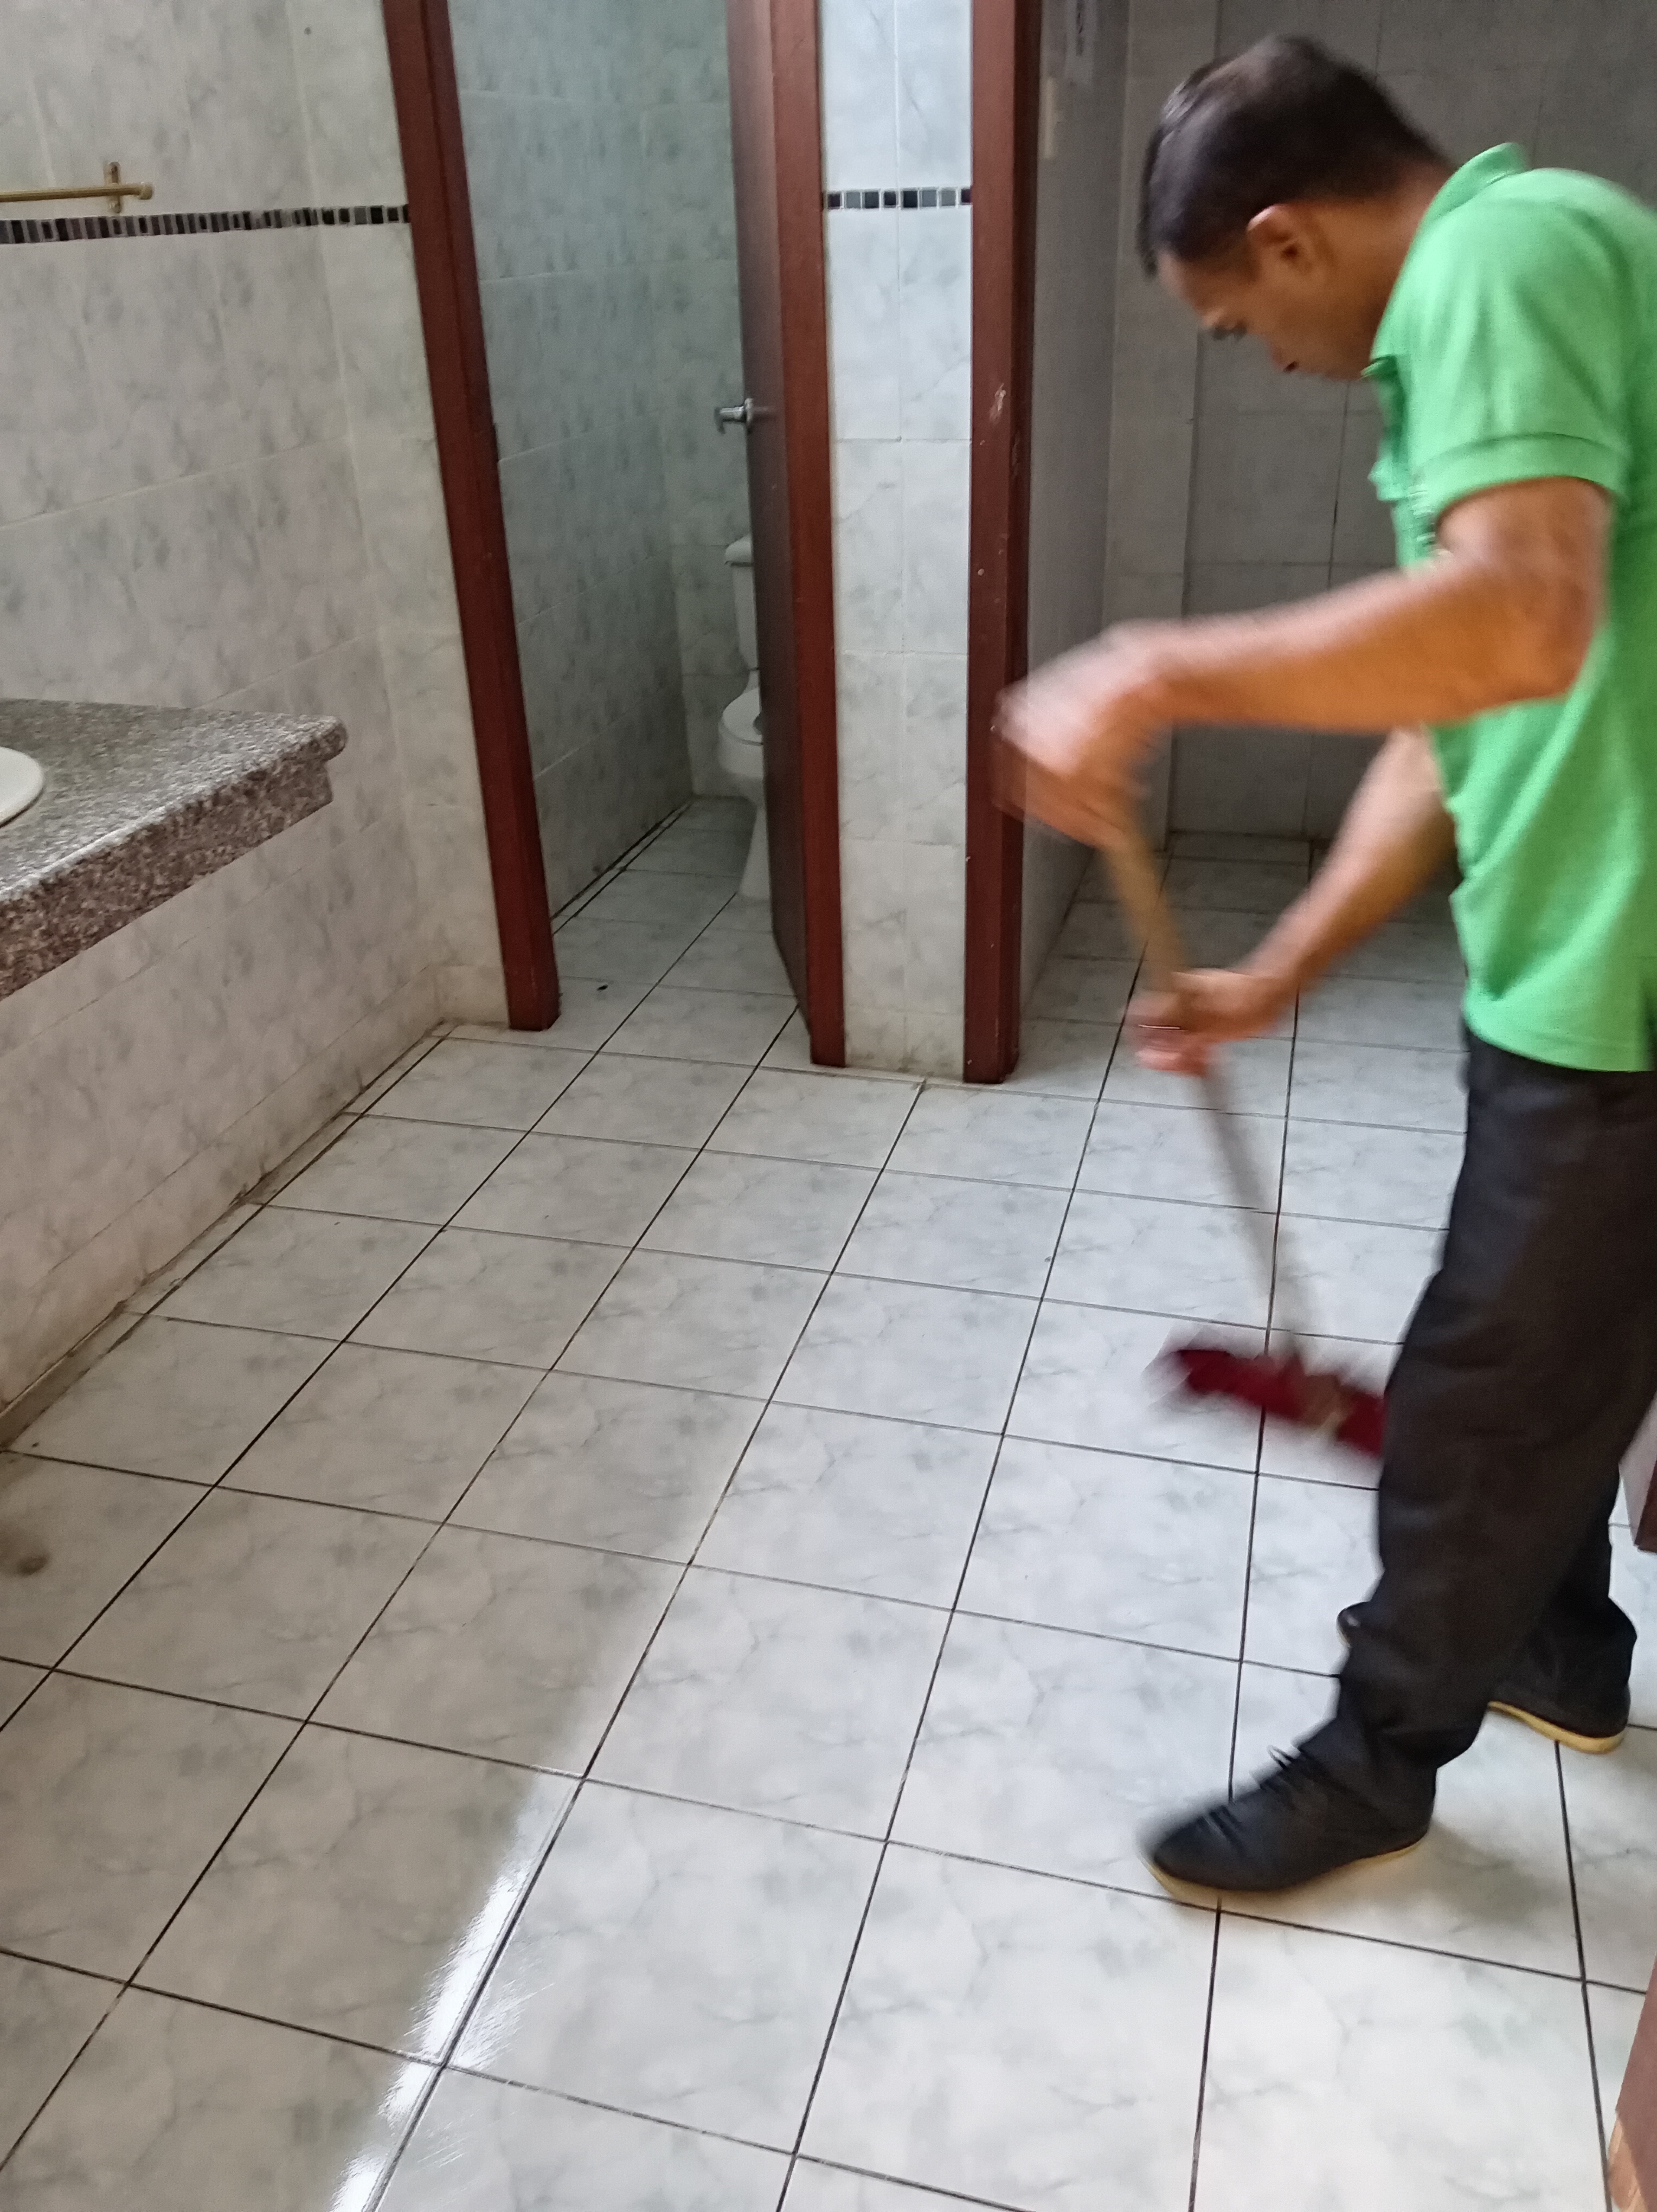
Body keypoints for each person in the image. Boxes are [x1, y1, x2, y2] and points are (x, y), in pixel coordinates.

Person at [998, 34, 1657, 1900]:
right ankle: (1558, 1650)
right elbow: (1456, 718)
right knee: (1563, 1357)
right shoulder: (1517, 288)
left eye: (1236, 324)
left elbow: (1517, 626)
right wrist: (1277, 968)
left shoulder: (1504, 260)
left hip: (1626, 1002)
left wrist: (1155, 667)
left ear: (1288, 239)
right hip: (1581, 973)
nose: (1269, 358)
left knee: (1473, 1403)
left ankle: (1376, 1770)